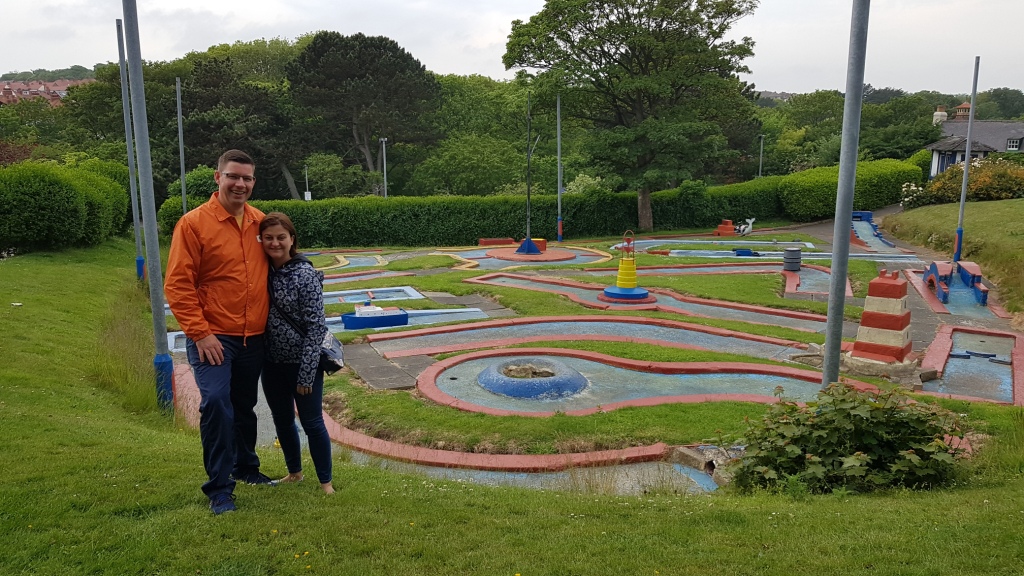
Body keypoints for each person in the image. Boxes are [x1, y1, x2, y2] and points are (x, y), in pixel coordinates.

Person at [165, 149, 276, 515]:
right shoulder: (194, 224)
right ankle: (219, 489)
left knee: (244, 406)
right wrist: (200, 333)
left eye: (246, 178)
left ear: (253, 182)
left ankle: (247, 468)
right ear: (218, 178)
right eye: (233, 176)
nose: (240, 184)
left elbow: (281, 264)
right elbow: (178, 285)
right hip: (214, 337)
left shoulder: (260, 223)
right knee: (216, 404)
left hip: (253, 337)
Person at [258, 212, 335, 494]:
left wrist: (305, 374)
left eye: (281, 237)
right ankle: (295, 472)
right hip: (272, 363)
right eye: (269, 238)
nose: (275, 243)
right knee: (282, 419)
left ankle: (326, 482)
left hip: (303, 365)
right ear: (261, 240)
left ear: (292, 239)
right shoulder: (261, 270)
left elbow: (316, 328)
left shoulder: (306, 275)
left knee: (313, 422)